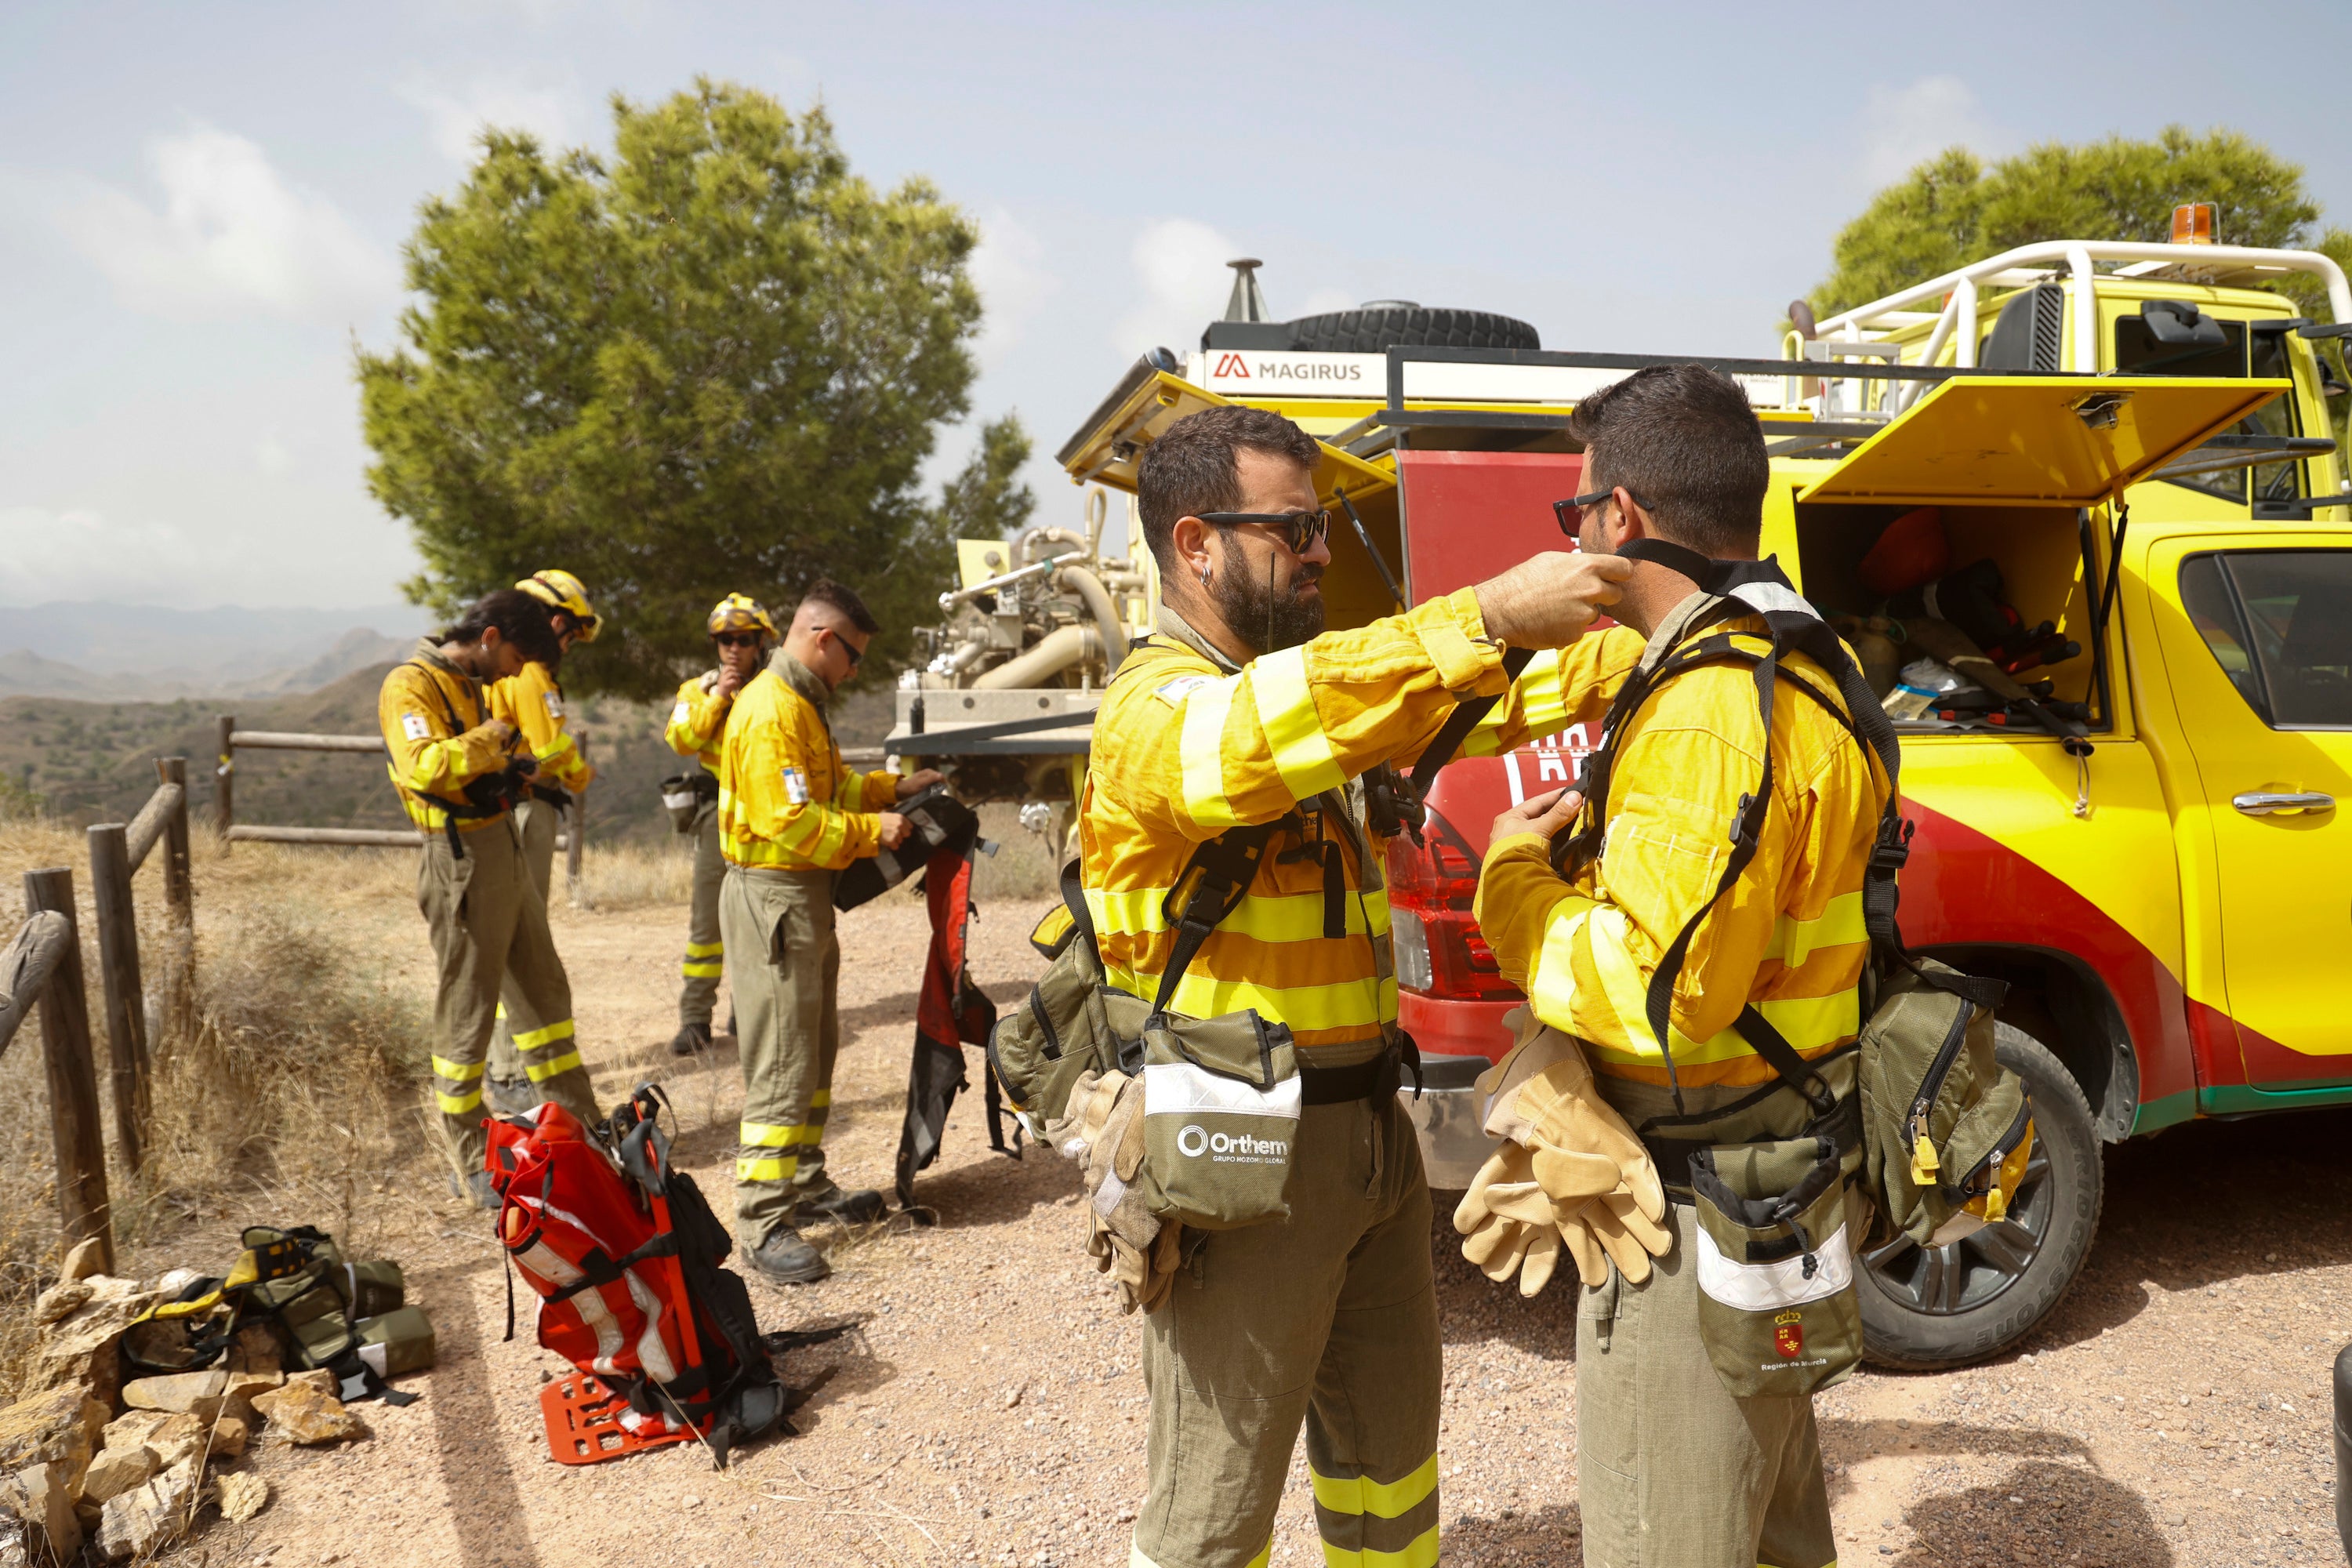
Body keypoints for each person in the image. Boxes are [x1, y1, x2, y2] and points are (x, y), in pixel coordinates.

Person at [1085, 403, 1632, 1568]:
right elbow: (1233, 749)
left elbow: (1492, 702)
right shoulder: (1152, 711)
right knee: (1210, 1513)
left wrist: (1661, 625)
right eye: (1295, 528)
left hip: (1369, 1137)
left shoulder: (1309, 701)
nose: (1324, 549)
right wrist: (1482, 611)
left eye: (1324, 524)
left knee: (1392, 1470)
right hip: (1241, 1156)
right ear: (1195, 543)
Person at [1472, 364, 1890, 1568]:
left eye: (1573, 517)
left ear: (1622, 518)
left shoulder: (1706, 708)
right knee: (1769, 1524)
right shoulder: (1809, 659)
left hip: (1688, 1213)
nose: (1571, 542)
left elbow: (1664, 995)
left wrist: (1514, 879)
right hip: (1783, 1172)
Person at [716, 578, 943, 1283]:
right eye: (853, 656)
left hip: (801, 897)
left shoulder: (800, 708)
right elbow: (792, 822)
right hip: (773, 897)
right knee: (783, 1061)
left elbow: (827, 789)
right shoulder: (770, 712)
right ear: (822, 639)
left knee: (813, 1052)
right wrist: (869, 830)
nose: (855, 671)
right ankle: (762, 1220)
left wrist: (887, 791)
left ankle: (804, 1185)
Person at [377, 589, 602, 1207]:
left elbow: (480, 756)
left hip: (501, 844)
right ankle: (471, 1159)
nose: (514, 675)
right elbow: (424, 766)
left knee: (544, 992)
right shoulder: (410, 685)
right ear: (491, 636)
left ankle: (584, 1128)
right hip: (459, 859)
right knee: (468, 1011)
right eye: (514, 659)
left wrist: (516, 760)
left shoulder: (469, 685)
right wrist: (497, 735)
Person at [482, 568, 601, 1113]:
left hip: (517, 808)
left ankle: (508, 1064)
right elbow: (554, 749)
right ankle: (511, 1069)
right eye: (573, 635)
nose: (570, 647)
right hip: (531, 810)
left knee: (514, 934)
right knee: (523, 939)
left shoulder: (509, 673)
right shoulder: (534, 677)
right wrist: (581, 774)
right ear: (557, 622)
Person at [663, 593, 778, 1057]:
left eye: (743, 639)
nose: (733, 648)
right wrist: (717, 701)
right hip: (717, 817)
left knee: (761, 916)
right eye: (724, 639)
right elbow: (680, 739)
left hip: (766, 812)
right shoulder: (697, 690)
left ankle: (748, 1009)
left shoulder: (775, 689)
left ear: (760, 643)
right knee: (707, 921)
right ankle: (695, 1019)